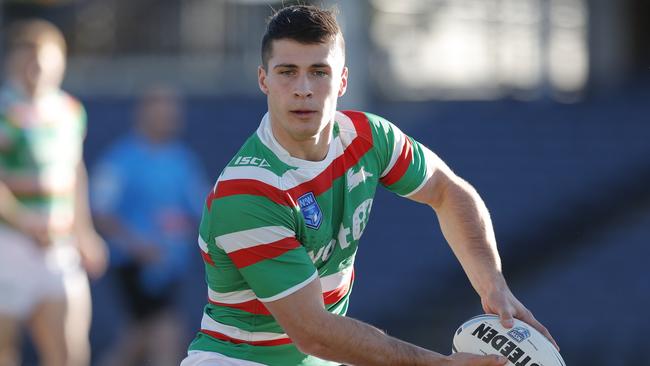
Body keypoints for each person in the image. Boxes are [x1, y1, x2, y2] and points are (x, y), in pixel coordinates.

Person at [182, 5, 559, 366]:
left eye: (319, 71)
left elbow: (448, 190)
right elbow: (314, 332)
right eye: (286, 71)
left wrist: (493, 285)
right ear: (264, 79)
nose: (303, 88)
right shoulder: (249, 189)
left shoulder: (367, 137)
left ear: (343, 79)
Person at [0, 19, 107, 366]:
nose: (37, 68)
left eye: (45, 59)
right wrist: (22, 219)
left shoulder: (70, 111)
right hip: (9, 247)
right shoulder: (5, 110)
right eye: (28, 58)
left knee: (69, 353)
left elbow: (75, 172)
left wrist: (84, 232)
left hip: (58, 250)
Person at [91, 85, 208, 366]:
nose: (167, 118)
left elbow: (203, 209)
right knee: (166, 336)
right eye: (159, 111)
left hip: (169, 269)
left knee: (136, 340)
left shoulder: (182, 160)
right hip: (134, 267)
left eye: (171, 112)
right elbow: (100, 212)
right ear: (143, 114)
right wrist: (139, 246)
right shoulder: (121, 159)